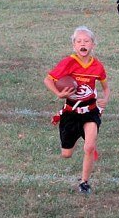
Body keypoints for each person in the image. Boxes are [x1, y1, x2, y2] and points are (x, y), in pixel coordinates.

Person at [43, 26, 110, 194]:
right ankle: (79, 137)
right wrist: (59, 93)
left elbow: (106, 88)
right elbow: (48, 80)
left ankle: (84, 182)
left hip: (90, 111)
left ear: (93, 45)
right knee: (66, 154)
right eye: (79, 41)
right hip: (70, 113)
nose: (83, 44)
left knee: (89, 147)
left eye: (86, 41)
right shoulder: (68, 62)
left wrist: (105, 99)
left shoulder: (98, 67)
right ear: (74, 45)